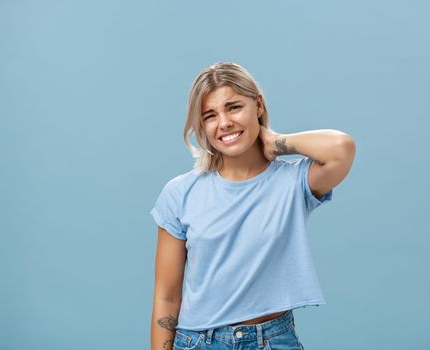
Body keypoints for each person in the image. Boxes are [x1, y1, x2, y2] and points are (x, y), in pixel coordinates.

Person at [150, 62, 356, 350]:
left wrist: (275, 142)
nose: (224, 123)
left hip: (271, 341)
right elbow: (167, 295)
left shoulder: (294, 181)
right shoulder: (180, 192)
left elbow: (341, 148)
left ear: (257, 104)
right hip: (197, 342)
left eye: (234, 107)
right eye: (210, 115)